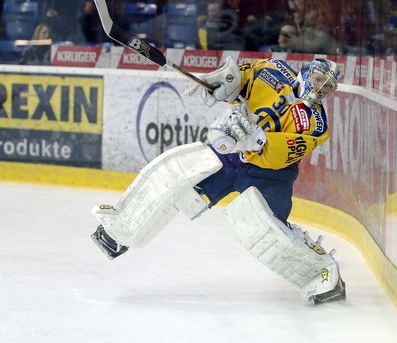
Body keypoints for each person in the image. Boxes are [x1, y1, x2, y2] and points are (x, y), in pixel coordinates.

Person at [89, 56, 346, 305]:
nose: (321, 87)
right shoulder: (273, 69)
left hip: (269, 177)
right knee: (183, 185)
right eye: (319, 78)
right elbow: (242, 78)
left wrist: (256, 140)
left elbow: (280, 155)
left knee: (269, 231)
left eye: (328, 86)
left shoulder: (318, 125)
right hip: (230, 157)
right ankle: (120, 231)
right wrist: (226, 82)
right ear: (307, 70)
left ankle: (323, 275)